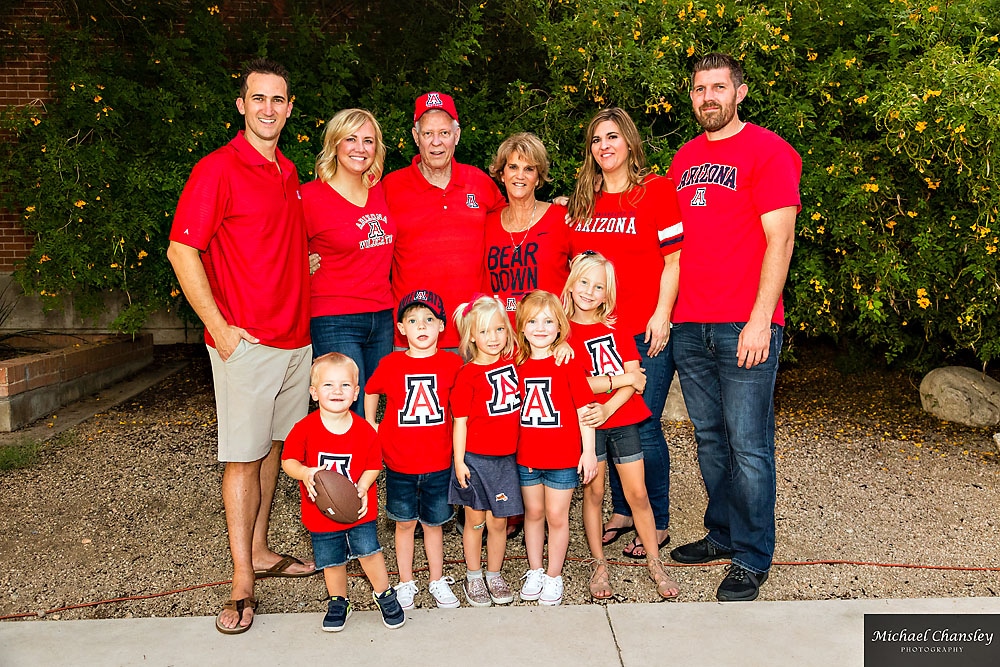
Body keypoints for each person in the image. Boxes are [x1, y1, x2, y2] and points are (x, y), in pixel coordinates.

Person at [167, 58, 315, 635]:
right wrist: (221, 329)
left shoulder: (288, 170)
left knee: (274, 448)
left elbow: (269, 243)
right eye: (259, 99)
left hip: (295, 340)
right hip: (246, 344)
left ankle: (259, 548)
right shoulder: (218, 169)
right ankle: (240, 585)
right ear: (241, 105)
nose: (269, 109)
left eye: (278, 100)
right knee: (242, 457)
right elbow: (184, 250)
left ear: (290, 107)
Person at [666, 52, 801, 602]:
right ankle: (721, 533)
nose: (708, 98)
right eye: (700, 89)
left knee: (749, 445)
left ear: (740, 93)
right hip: (690, 323)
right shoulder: (683, 159)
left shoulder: (769, 151)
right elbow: (669, 244)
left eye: (718, 87)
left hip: (743, 324)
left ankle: (751, 555)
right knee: (711, 439)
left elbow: (781, 240)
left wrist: (760, 320)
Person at [566, 108, 683, 560]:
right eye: (596, 140)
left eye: (612, 137)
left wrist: (662, 313)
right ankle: (621, 510)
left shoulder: (655, 191)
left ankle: (658, 518)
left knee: (643, 421)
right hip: (596, 334)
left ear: (630, 142)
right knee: (606, 418)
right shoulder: (585, 198)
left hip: (641, 329)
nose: (604, 146)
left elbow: (674, 260)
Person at [561, 252, 680, 600]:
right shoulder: (562, 331)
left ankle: (655, 563)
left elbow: (638, 380)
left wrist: (611, 401)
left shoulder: (616, 325)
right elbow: (576, 384)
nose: (589, 291)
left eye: (598, 286)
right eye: (583, 282)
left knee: (638, 493)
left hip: (621, 418)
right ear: (571, 282)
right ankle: (599, 564)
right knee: (594, 493)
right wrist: (621, 379)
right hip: (587, 424)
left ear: (606, 293)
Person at [280, 353, 405, 632]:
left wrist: (361, 487)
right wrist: (305, 472)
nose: (337, 391)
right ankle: (339, 601)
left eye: (345, 385)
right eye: (328, 385)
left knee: (369, 552)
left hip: (359, 511)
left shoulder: (364, 431)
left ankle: (384, 593)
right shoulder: (304, 429)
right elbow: (288, 461)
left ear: (356, 392)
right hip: (320, 512)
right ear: (313, 392)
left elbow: (375, 464)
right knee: (332, 560)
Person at [363, 289, 465, 610]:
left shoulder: (452, 364)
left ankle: (436, 579)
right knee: (404, 523)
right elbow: (370, 390)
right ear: (401, 328)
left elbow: (462, 409)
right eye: (413, 320)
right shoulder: (391, 363)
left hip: (438, 462)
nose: (421, 326)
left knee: (434, 525)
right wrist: (370, 424)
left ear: (442, 327)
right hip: (399, 463)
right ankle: (406, 581)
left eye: (429, 320)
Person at [383, 92, 505, 350]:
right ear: (416, 137)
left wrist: (556, 208)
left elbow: (516, 222)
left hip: (474, 335)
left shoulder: (480, 182)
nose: (436, 143)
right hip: (413, 337)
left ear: (457, 136)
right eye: (428, 134)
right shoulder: (390, 187)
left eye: (444, 133)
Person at [303, 109, 395, 415]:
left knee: (371, 407)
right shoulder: (309, 197)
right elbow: (274, 244)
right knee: (345, 408)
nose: (360, 148)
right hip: (335, 318)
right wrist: (301, 262)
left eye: (368, 141)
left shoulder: (383, 191)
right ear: (334, 144)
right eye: (351, 139)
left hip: (382, 316)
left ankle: (365, 464)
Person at [514, 290, 597, 606]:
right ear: (522, 327)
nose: (540, 327)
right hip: (528, 457)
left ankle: (553, 574)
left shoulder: (567, 361)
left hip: (562, 457)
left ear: (560, 327)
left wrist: (587, 451)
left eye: (549, 321)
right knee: (533, 513)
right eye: (533, 321)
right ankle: (535, 569)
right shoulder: (516, 362)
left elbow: (583, 410)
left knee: (556, 515)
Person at [449, 296, 523, 606]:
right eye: (484, 331)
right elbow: (460, 423)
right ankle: (474, 575)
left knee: (498, 523)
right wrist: (459, 462)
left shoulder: (514, 362)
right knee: (475, 521)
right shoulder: (467, 375)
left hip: (505, 460)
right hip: (475, 461)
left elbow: (545, 344)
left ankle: (494, 573)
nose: (492, 338)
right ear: (471, 337)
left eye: (499, 330)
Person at [484, 132, 572, 322]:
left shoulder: (561, 218)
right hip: (499, 342)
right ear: (502, 174)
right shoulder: (486, 223)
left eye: (529, 169)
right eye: (513, 167)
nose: (520, 175)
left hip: (550, 339)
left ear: (538, 178)